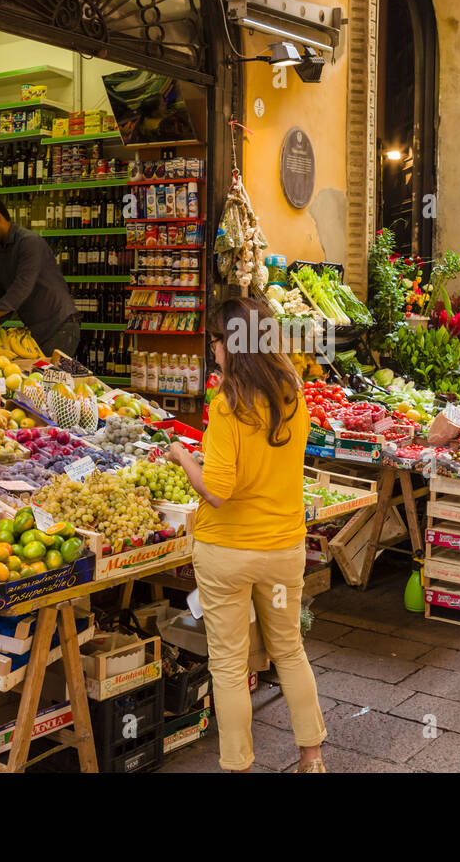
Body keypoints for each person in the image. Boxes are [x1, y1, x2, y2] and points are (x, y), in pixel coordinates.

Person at [164, 298, 326, 772]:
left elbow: (217, 490)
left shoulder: (228, 405)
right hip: (282, 548)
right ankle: (311, 758)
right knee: (289, 650)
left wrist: (181, 455)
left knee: (230, 667)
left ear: (232, 344)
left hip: (228, 554)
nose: (211, 349)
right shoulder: (293, 396)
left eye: (215, 340)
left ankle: (237, 766)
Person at [0, 197, 81, 359]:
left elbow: (21, 288)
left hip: (60, 327)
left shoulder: (29, 242)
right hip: (36, 331)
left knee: (48, 381)